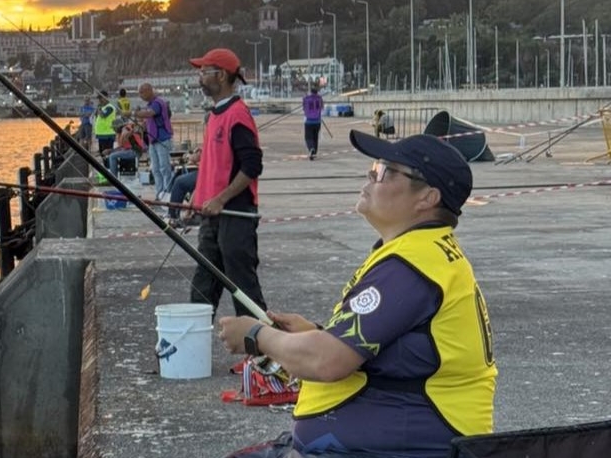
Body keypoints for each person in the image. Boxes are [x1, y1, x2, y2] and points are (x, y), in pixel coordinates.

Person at [217, 131, 497, 458]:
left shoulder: (413, 265)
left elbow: (327, 361)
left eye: (384, 171)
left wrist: (255, 335)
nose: (370, 174)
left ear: (427, 198)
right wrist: (318, 334)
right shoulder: (422, 253)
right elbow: (397, 351)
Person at [187, 48, 267, 318]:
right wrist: (196, 198)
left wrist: (221, 199)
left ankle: (260, 355)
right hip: (211, 218)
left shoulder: (237, 115)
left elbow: (252, 166)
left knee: (243, 291)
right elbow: (212, 166)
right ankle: (191, 355)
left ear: (221, 75)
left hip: (235, 215)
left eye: (204, 71)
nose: (199, 77)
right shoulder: (214, 116)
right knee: (201, 290)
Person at [134, 83, 174, 199]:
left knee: (164, 167)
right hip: (153, 141)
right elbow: (148, 121)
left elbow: (148, 114)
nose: (140, 95)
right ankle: (159, 193)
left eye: (142, 92)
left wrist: (135, 114)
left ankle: (168, 193)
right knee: (155, 168)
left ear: (149, 90)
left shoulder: (157, 103)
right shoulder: (150, 104)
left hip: (162, 140)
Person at [166, 147, 199, 226]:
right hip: (206, 171)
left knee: (179, 182)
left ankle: (172, 216)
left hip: (209, 173)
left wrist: (195, 157)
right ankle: (173, 215)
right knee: (181, 179)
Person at [302, 86, 324, 160]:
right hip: (317, 121)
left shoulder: (306, 98)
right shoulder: (320, 98)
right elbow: (322, 107)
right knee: (315, 137)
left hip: (309, 121)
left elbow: (304, 107)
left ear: (311, 92)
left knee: (308, 137)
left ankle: (311, 148)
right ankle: (314, 153)